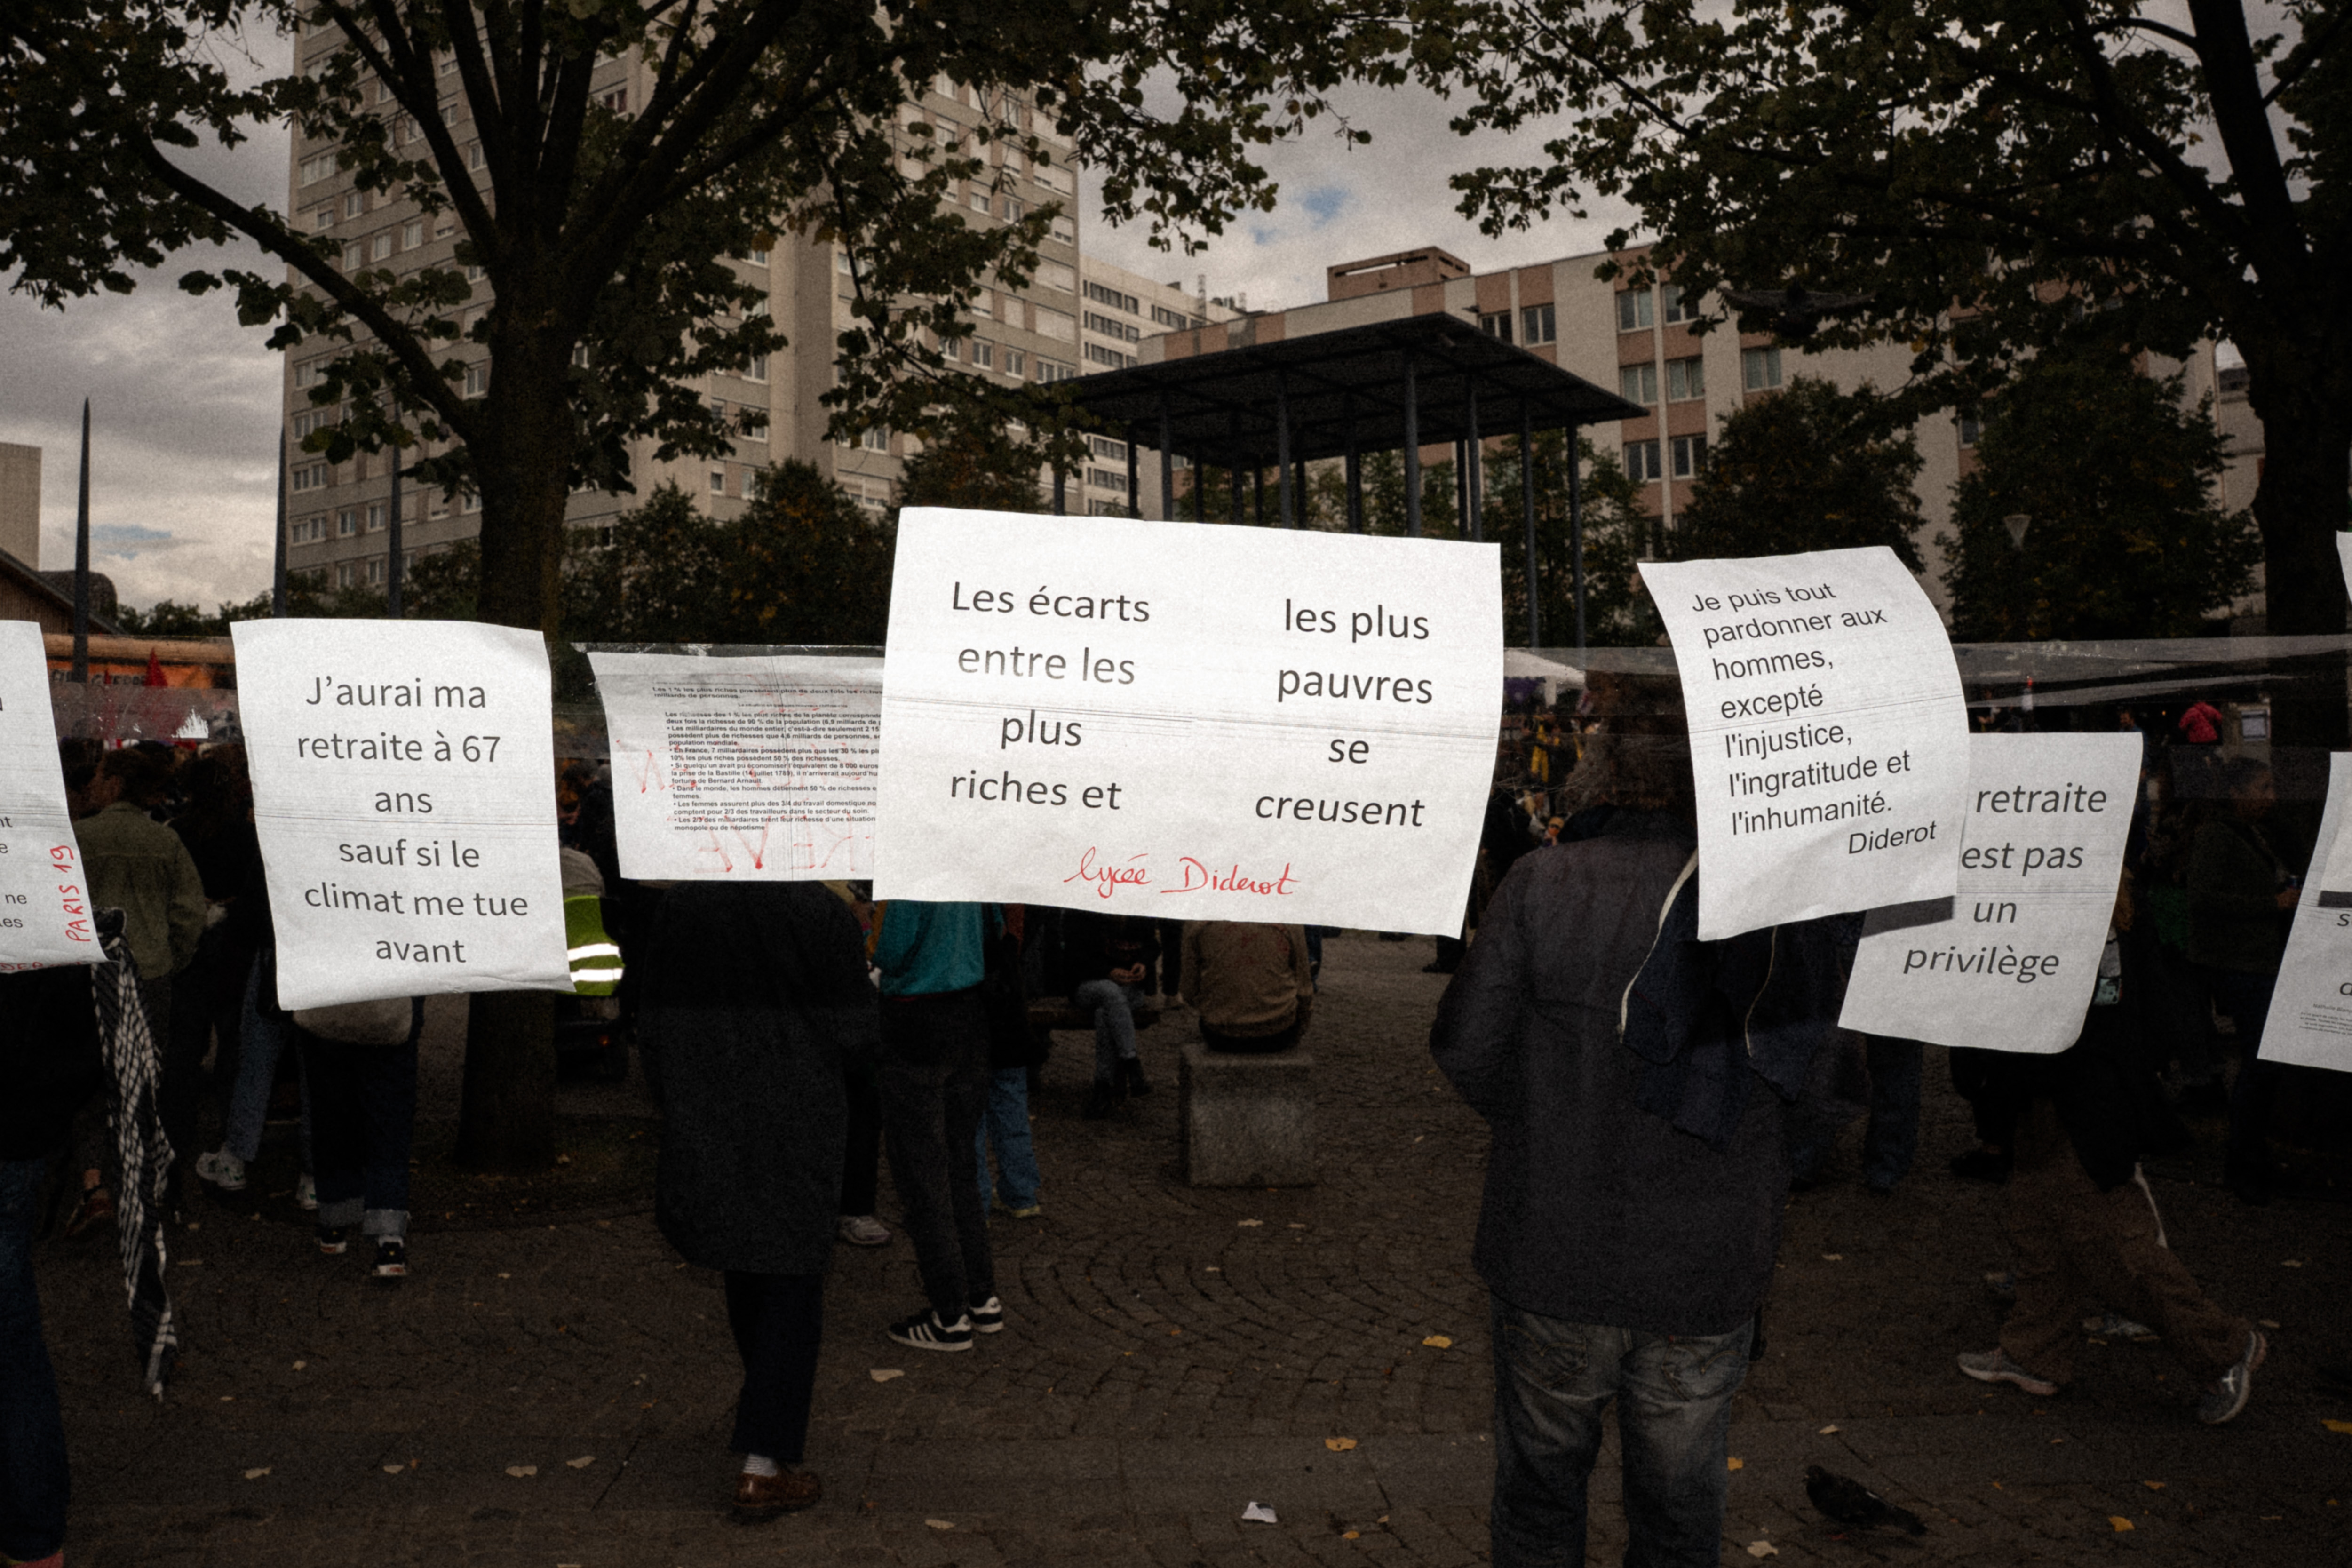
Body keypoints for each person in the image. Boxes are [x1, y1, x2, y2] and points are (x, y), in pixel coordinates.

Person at [1429, 675, 1853, 1568]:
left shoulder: (1542, 884)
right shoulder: (1773, 906)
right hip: (1702, 1267)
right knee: (1677, 1517)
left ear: (1606, 765)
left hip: (1554, 1248)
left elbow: (1467, 1044)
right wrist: (1746, 1164)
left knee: (1541, 1504)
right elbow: (1820, 1093)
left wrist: (1549, 1117)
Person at [1958, 880, 2266, 1425]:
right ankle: (2035, 1351)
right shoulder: (2054, 893)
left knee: (2118, 1248)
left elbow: (2095, 1022)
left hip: (2086, 1102)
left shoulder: (2096, 905)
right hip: (2044, 1096)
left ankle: (2222, 1348)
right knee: (2037, 1226)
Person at [637, 880, 874, 1520]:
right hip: (796, 1116)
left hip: (710, 1110)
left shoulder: (685, 905)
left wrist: (676, 1094)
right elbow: (855, 1034)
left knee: (746, 1261)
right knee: (792, 1278)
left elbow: (651, 1015)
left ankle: (764, 1418)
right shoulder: (817, 910)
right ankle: (764, 1462)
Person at [71, 745, 207, 1228]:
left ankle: (94, 1185)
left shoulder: (79, 838)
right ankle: (145, 1184)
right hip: (149, 974)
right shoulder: (165, 843)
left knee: (88, 1076)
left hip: (88, 972)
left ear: (114, 785)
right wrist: (172, 958)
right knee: (145, 1081)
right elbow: (190, 915)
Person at [0, 966, 104, 1568]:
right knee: (13, 1348)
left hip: (13, 1148)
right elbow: (81, 1048)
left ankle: (34, 1534)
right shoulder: (36, 890)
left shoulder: (38, 893)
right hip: (14, 1150)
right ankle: (34, 1538)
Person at [872, 899, 1001, 1352]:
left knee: (923, 1173)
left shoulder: (911, 877)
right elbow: (995, 928)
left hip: (916, 1021)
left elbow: (890, 952)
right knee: (961, 1163)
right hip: (969, 1016)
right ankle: (981, 1295)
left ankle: (949, 1314)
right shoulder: (966, 868)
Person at [2187, 757, 2301, 1204]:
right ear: (2238, 793)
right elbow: (2204, 896)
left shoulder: (2258, 831)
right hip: (2241, 963)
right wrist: (2270, 904)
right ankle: (2243, 1158)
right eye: (2264, 787)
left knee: (2264, 1060)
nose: (2271, 797)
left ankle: (2251, 1152)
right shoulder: (2217, 836)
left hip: (2259, 959)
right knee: (2259, 1060)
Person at [297, 990, 422, 1277]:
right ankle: (389, 1236)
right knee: (390, 1117)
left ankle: (334, 1220)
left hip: (326, 1000)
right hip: (393, 1000)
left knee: (332, 1109)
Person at [974, 906, 1044, 1218]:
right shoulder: (1014, 901)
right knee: (1012, 1110)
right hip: (1011, 1018)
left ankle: (977, 1199)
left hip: (978, 1017)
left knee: (972, 1117)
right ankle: (1021, 1194)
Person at [1057, 908, 1157, 1117]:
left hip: (1129, 989)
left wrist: (1142, 964)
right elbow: (1074, 958)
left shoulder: (1142, 912)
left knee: (1106, 1014)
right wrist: (1107, 972)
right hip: (1088, 985)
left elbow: (1153, 946)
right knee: (1109, 992)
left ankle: (1102, 1087)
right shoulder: (1081, 914)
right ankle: (1132, 1063)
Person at [1182, 921, 1315, 1053]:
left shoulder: (1200, 919)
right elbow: (1304, 989)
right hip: (1279, 1031)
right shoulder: (1288, 917)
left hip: (1219, 1034)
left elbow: (1189, 990)